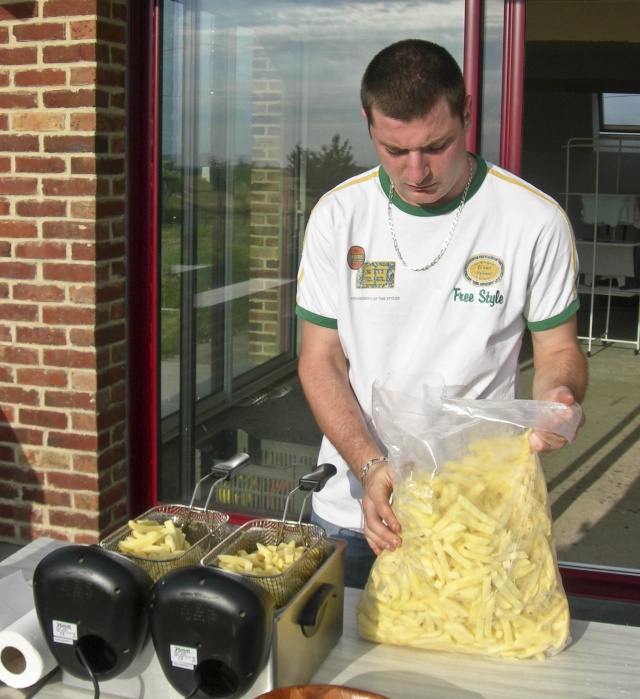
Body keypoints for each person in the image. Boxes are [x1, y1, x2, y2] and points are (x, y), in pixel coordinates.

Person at [295, 39, 588, 588]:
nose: (416, 171)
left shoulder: (533, 219)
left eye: (436, 146)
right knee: (341, 672)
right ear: (368, 123)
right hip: (354, 512)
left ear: (468, 113)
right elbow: (320, 360)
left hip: (476, 507)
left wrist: (559, 397)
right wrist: (368, 464)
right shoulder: (339, 215)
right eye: (393, 149)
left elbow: (558, 350)